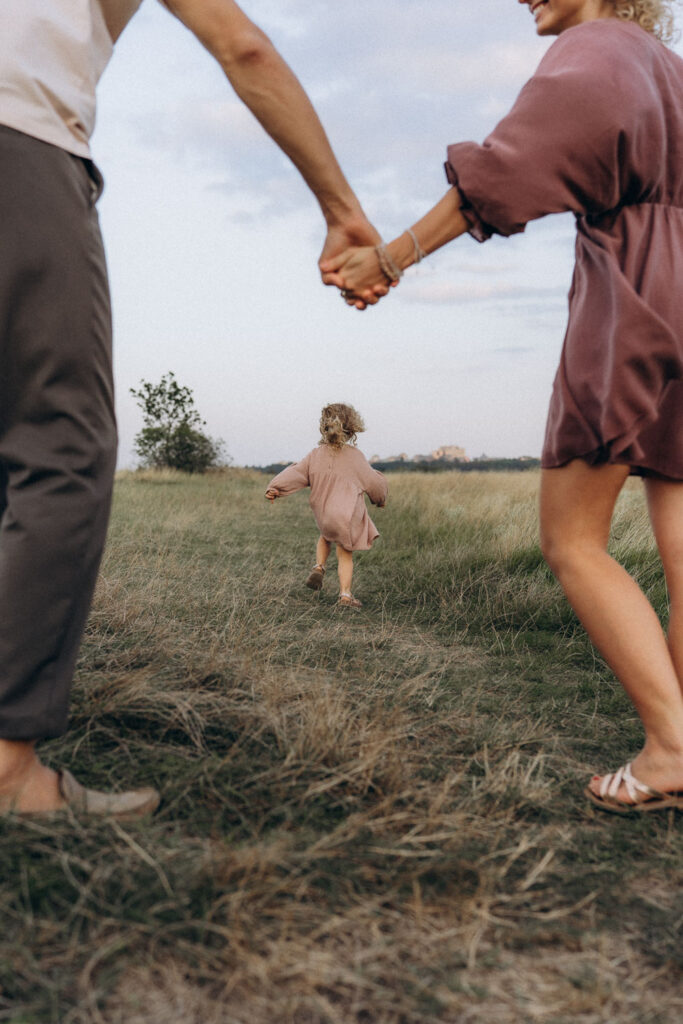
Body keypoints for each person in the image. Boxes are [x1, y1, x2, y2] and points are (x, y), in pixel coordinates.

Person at [0, 0, 380, 817]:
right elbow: (242, 48)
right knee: (59, 448)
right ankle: (7, 771)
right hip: (18, 140)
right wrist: (342, 209)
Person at [322, 0, 683, 813]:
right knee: (680, 534)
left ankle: (669, 749)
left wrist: (390, 256)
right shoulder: (670, 71)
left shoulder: (594, 52)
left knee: (572, 540)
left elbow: (507, 168)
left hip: (636, 298)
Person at [265, 404, 387, 608]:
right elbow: (373, 482)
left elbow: (296, 472)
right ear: (351, 428)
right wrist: (380, 499)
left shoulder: (315, 454)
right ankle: (346, 596)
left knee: (325, 536)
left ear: (324, 427)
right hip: (345, 516)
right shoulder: (355, 456)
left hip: (323, 514)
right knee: (344, 553)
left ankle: (319, 566)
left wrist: (275, 487)